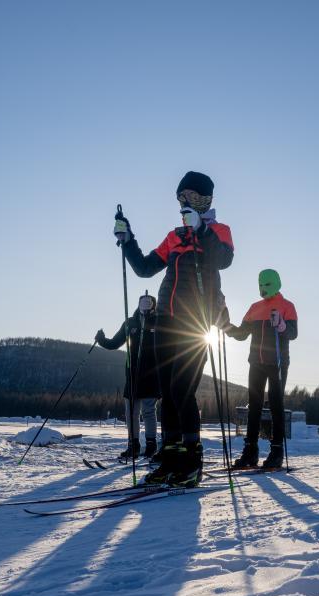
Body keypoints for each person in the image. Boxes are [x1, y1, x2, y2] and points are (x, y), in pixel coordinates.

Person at [114, 171, 234, 486]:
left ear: (205, 200)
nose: (184, 204)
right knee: (166, 395)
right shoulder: (174, 237)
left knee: (182, 390)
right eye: (181, 198)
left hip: (195, 324)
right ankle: (170, 459)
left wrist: (202, 231)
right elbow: (144, 268)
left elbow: (223, 260)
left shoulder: (219, 231)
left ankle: (191, 460)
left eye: (190, 198)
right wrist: (128, 241)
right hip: (165, 323)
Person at [224, 269, 298, 469]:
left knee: (275, 405)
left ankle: (276, 451)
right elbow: (241, 334)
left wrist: (282, 325)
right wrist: (224, 324)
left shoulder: (287, 306)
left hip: (278, 362)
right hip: (256, 362)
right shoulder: (254, 307)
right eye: (260, 284)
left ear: (275, 283)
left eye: (266, 284)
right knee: (254, 406)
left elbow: (293, 333)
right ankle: (250, 451)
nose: (262, 288)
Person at [95, 293, 161, 462]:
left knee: (148, 411)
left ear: (154, 306)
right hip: (132, 374)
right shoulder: (130, 323)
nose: (145, 306)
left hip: (152, 374)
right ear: (138, 305)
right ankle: (133, 446)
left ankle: (151, 445)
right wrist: (102, 340)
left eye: (149, 304)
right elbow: (114, 343)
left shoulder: (159, 322)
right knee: (131, 412)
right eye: (143, 303)